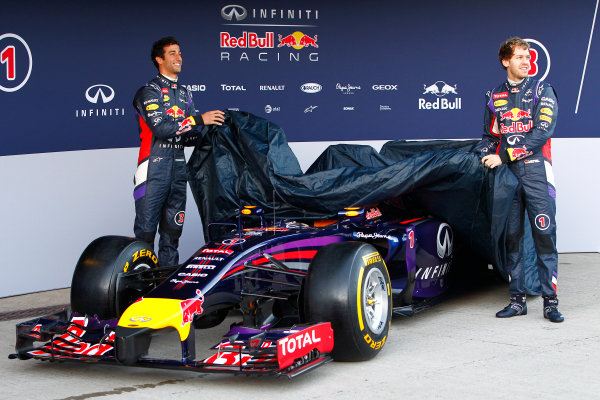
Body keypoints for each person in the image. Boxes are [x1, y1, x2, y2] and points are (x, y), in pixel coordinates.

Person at [478, 37, 563, 322]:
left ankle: (550, 303)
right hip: (509, 180)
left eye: (528, 57)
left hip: (538, 173)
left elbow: (542, 132)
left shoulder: (542, 89)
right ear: (505, 61)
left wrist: (504, 156)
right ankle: (517, 300)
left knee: (544, 236)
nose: (527, 62)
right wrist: (484, 155)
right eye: (520, 57)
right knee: (512, 238)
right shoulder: (494, 95)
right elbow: (490, 137)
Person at [132, 36, 225, 266]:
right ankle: (140, 285)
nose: (179, 57)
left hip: (178, 170)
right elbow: (162, 128)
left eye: (180, 52)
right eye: (172, 53)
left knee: (172, 234)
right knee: (145, 233)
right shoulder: (148, 92)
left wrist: (208, 129)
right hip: (152, 169)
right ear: (159, 59)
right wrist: (198, 119)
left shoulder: (185, 94)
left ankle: (166, 286)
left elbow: (189, 135)